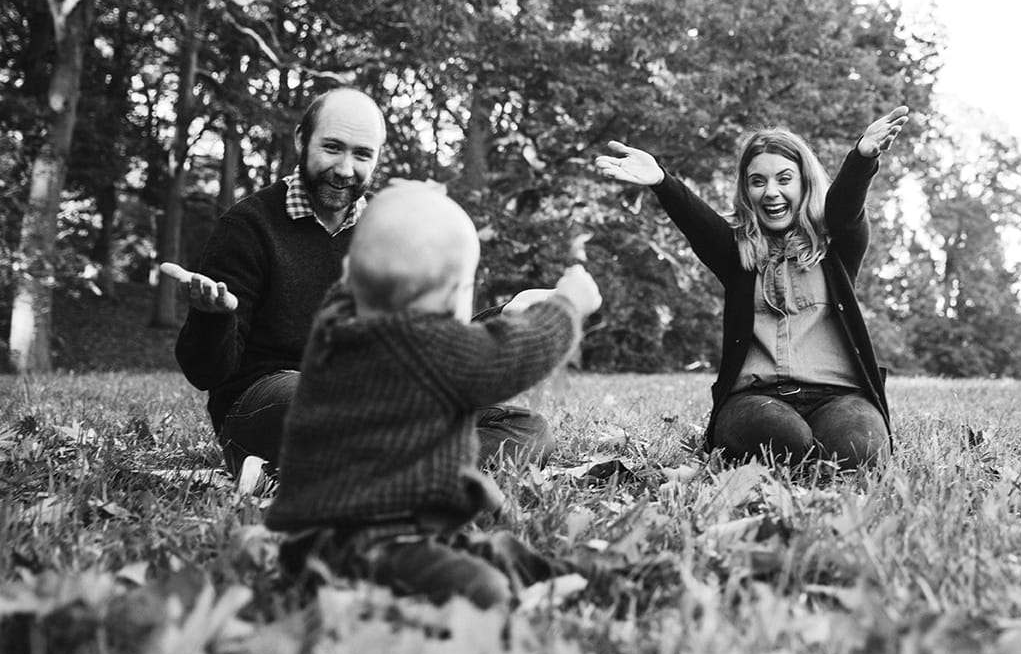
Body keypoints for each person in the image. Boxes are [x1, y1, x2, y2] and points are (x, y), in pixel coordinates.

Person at [167, 87, 554, 478]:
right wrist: (212, 317)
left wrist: (505, 316)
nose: (345, 169)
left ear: (377, 157)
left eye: (362, 154)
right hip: (275, 402)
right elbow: (205, 374)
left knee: (527, 430)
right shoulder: (248, 227)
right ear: (302, 139)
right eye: (332, 148)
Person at [265, 182, 601, 607]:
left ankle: (567, 575)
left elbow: (418, 447)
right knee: (483, 588)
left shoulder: (339, 324)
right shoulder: (424, 345)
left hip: (330, 540)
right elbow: (512, 354)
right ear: (449, 297)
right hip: (358, 553)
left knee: (496, 552)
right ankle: (530, 592)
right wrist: (567, 306)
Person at [594, 108, 911, 468]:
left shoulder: (836, 245)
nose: (771, 192)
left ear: (805, 183)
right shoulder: (737, 255)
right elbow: (700, 223)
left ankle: (818, 459)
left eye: (784, 178)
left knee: (858, 448)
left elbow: (845, 209)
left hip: (840, 398)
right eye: (758, 181)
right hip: (755, 400)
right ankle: (798, 458)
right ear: (746, 190)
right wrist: (662, 182)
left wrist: (861, 159)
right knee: (783, 441)